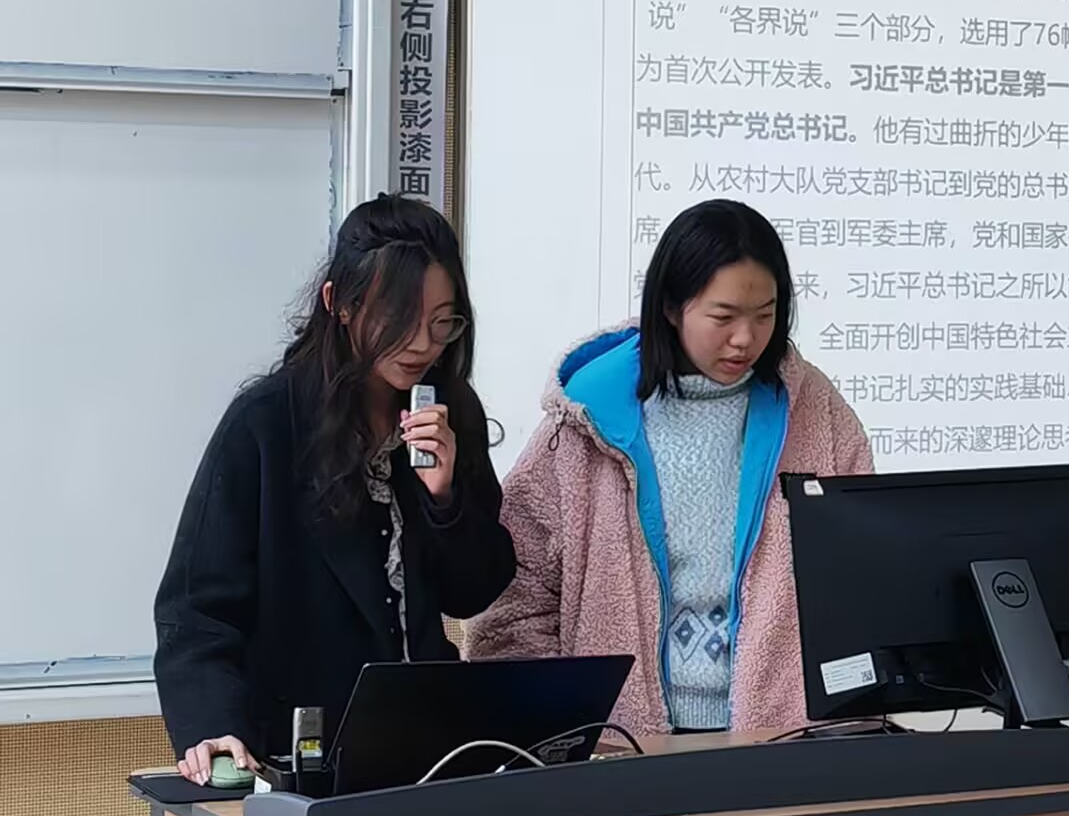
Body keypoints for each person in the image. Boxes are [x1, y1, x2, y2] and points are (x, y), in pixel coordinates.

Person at [466, 199, 873, 735]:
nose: (746, 338)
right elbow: (519, 597)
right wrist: (559, 723)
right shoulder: (587, 418)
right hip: (620, 744)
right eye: (723, 317)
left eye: (765, 314)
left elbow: (861, 579)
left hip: (780, 739)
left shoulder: (815, 411)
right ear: (671, 307)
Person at [154, 195, 516, 783]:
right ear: (339, 304)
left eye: (442, 322)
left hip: (431, 747)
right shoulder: (266, 424)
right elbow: (196, 609)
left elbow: (473, 592)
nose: (423, 344)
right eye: (399, 318)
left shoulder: (451, 413)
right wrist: (213, 725)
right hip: (305, 751)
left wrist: (445, 501)